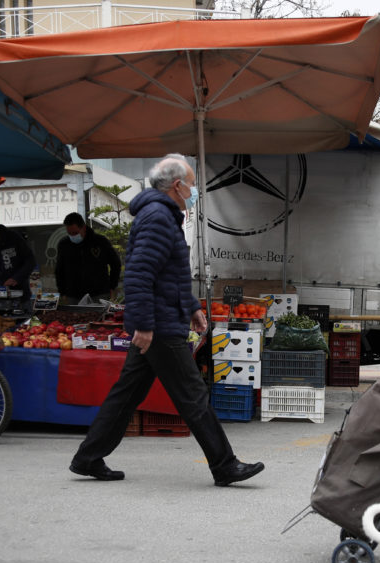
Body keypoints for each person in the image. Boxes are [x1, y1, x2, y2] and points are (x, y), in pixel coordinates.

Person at [70, 154, 265, 487]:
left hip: (160, 318)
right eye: (191, 184)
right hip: (159, 325)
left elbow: (170, 275)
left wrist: (191, 308)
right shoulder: (159, 217)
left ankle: (87, 457)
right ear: (177, 185)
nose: (192, 191)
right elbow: (140, 275)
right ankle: (224, 465)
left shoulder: (161, 215)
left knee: (127, 394)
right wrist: (144, 325)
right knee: (193, 395)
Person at [54, 212, 121, 303]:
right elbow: (59, 270)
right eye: (69, 233)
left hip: (99, 294)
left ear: (84, 228)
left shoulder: (100, 241)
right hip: (73, 296)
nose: (73, 236)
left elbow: (115, 264)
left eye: (75, 233)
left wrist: (112, 286)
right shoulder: (64, 244)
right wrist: (62, 292)